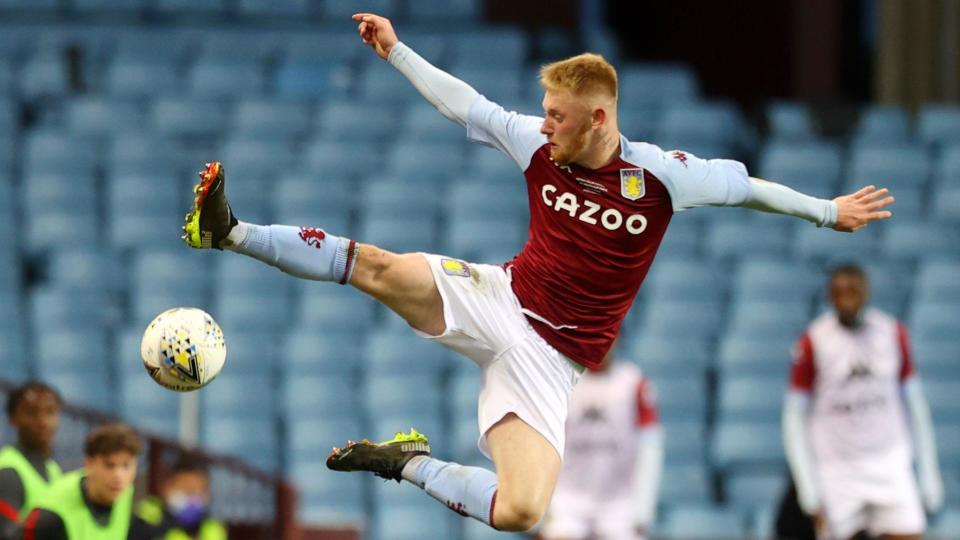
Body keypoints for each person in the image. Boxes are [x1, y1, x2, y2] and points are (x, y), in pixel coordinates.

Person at [179, 12, 894, 531]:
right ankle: (230, 230)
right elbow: (467, 104)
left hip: (552, 363)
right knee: (378, 267)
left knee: (521, 511)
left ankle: (407, 464)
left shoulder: (662, 177)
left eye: (557, 116)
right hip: (502, 297)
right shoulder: (539, 147)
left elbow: (747, 188)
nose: (543, 125)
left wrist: (828, 213)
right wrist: (397, 51)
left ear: (599, 117)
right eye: (544, 113)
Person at [783, 264, 943, 540]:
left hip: (889, 463)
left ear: (866, 292)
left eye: (852, 291)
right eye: (838, 292)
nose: (846, 298)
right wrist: (807, 484)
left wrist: (929, 473)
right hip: (837, 470)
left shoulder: (892, 333)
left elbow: (916, 405)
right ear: (829, 296)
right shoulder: (814, 341)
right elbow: (794, 415)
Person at [541, 341, 663, 540]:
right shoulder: (564, 379)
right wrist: (545, 505)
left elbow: (650, 448)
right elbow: (545, 445)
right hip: (568, 499)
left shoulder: (634, 383)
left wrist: (643, 511)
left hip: (619, 503)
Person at [21, 423, 161, 539]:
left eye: (126, 465)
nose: (118, 476)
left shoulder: (125, 492)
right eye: (109, 465)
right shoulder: (53, 514)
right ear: (89, 464)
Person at [0, 381, 63, 538]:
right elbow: (7, 535)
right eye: (32, 413)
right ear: (13, 419)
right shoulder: (8, 472)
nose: (43, 421)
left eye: (50, 412)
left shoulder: (53, 469)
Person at [136, 454, 227, 540]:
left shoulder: (213, 527)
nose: (192, 497)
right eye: (187, 489)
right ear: (167, 486)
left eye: (199, 490)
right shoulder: (148, 518)